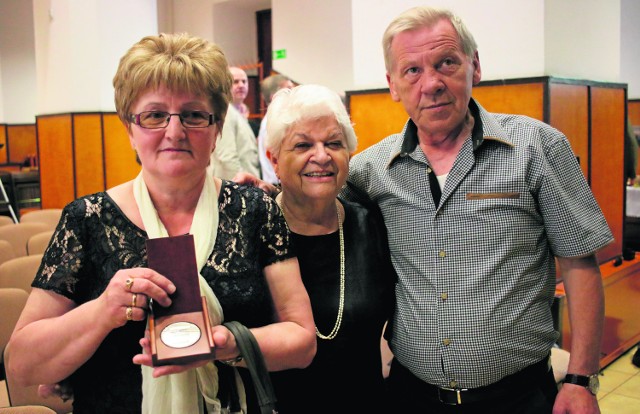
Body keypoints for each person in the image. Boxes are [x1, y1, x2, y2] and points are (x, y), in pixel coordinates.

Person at [6, 33, 316, 414]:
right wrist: (103, 310)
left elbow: (302, 341)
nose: (174, 131)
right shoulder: (85, 219)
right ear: (129, 129)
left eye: (193, 115)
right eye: (154, 115)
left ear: (217, 128)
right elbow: (21, 365)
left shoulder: (256, 211)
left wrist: (226, 344)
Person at [340, 6, 612, 413]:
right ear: (392, 85)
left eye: (446, 62)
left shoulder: (537, 148)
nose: (431, 83)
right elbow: (316, 215)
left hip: (518, 397)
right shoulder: (369, 172)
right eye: (411, 70)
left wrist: (580, 379)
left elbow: (579, 265)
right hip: (411, 396)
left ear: (475, 66)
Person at [263, 84, 396, 413]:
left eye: (334, 144)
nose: (321, 156)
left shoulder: (372, 225)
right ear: (274, 160)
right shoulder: (253, 232)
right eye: (303, 144)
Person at [257, 74, 294, 184]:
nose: (294, 94)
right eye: (289, 89)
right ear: (275, 96)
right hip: (277, 184)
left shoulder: (277, 119)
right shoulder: (273, 121)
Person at [210, 101, 260, 180]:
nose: (241, 87)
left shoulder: (235, 112)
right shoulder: (226, 112)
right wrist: (239, 189)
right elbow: (226, 158)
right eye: (234, 87)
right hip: (239, 185)